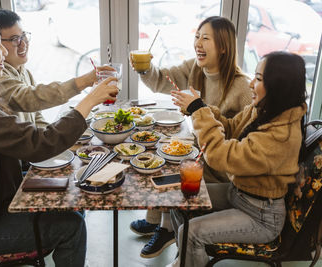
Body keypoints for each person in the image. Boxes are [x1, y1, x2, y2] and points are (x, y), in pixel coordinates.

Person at [0, 13, 118, 267]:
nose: (3, 53)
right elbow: (40, 144)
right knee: (71, 226)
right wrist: (90, 100)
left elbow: (30, 135)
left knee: (73, 197)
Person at [167, 51, 307, 267]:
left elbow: (221, 155)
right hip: (239, 194)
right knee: (177, 199)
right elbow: (231, 127)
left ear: (279, 85)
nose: (251, 83)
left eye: (259, 79)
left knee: (191, 232)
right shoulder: (266, 109)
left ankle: (190, 257)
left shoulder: (281, 136)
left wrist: (198, 111)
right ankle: (190, 259)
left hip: (261, 216)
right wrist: (200, 108)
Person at [129, 16, 252, 258]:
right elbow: (161, 80)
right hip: (201, 151)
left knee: (169, 164)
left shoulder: (243, 88)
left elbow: (241, 140)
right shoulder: (196, 68)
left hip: (220, 166)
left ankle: (165, 229)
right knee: (160, 152)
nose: (198, 42)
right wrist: (144, 68)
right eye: (197, 36)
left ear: (224, 46)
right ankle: (157, 221)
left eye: (206, 38)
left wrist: (199, 108)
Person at [0, 8, 113, 127]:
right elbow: (30, 98)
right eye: (14, 39)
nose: (23, 44)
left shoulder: (24, 71)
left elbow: (37, 116)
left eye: (23, 35)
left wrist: (51, 140)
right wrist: (85, 81)